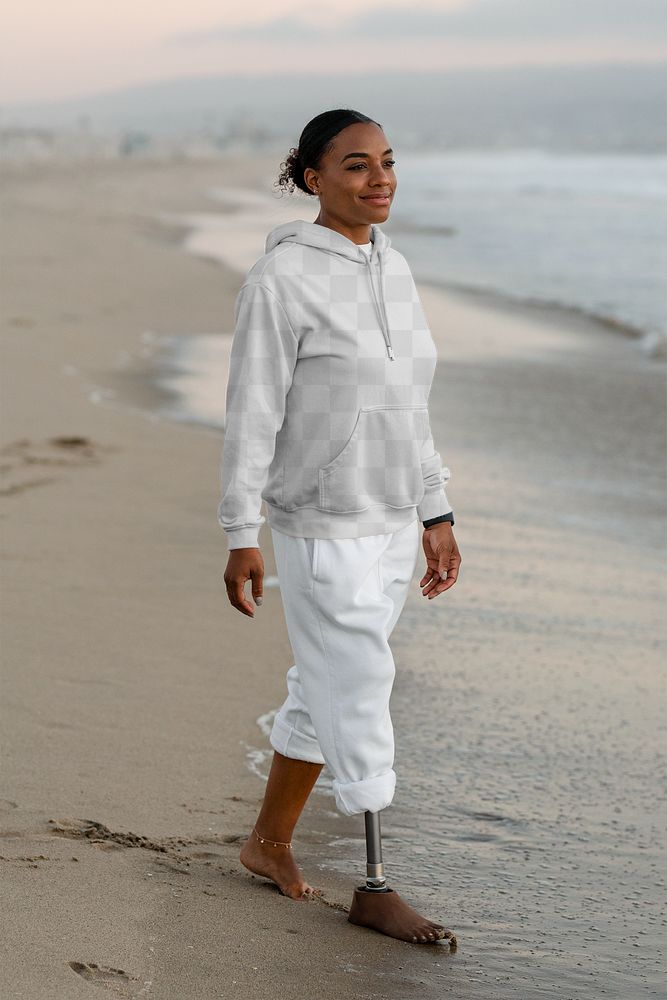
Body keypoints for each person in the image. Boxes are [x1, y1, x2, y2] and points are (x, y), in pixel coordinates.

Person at [219, 108, 461, 945]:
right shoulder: (280, 280)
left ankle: (267, 842)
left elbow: (411, 407)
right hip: (321, 520)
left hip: (395, 518)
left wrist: (435, 508)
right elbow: (251, 412)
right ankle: (374, 882)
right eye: (356, 165)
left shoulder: (393, 268)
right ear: (312, 178)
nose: (379, 178)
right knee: (359, 683)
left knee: (324, 682)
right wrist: (238, 531)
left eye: (388, 162)